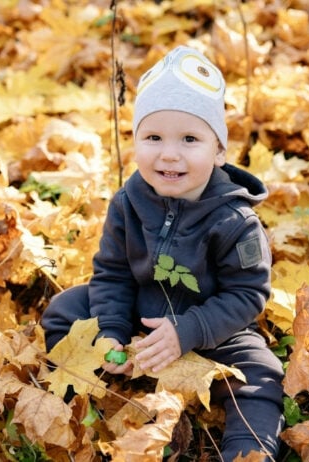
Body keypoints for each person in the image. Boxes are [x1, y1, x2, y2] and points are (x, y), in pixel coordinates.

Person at [41, 45, 284, 460]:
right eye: (153, 137)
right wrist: (112, 330)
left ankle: (248, 450)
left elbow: (247, 295)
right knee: (66, 309)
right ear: (135, 141)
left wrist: (188, 331)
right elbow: (113, 272)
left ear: (219, 150)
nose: (169, 153)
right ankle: (86, 385)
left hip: (210, 329)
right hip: (141, 313)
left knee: (260, 371)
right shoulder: (128, 201)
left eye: (190, 139)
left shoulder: (235, 221)